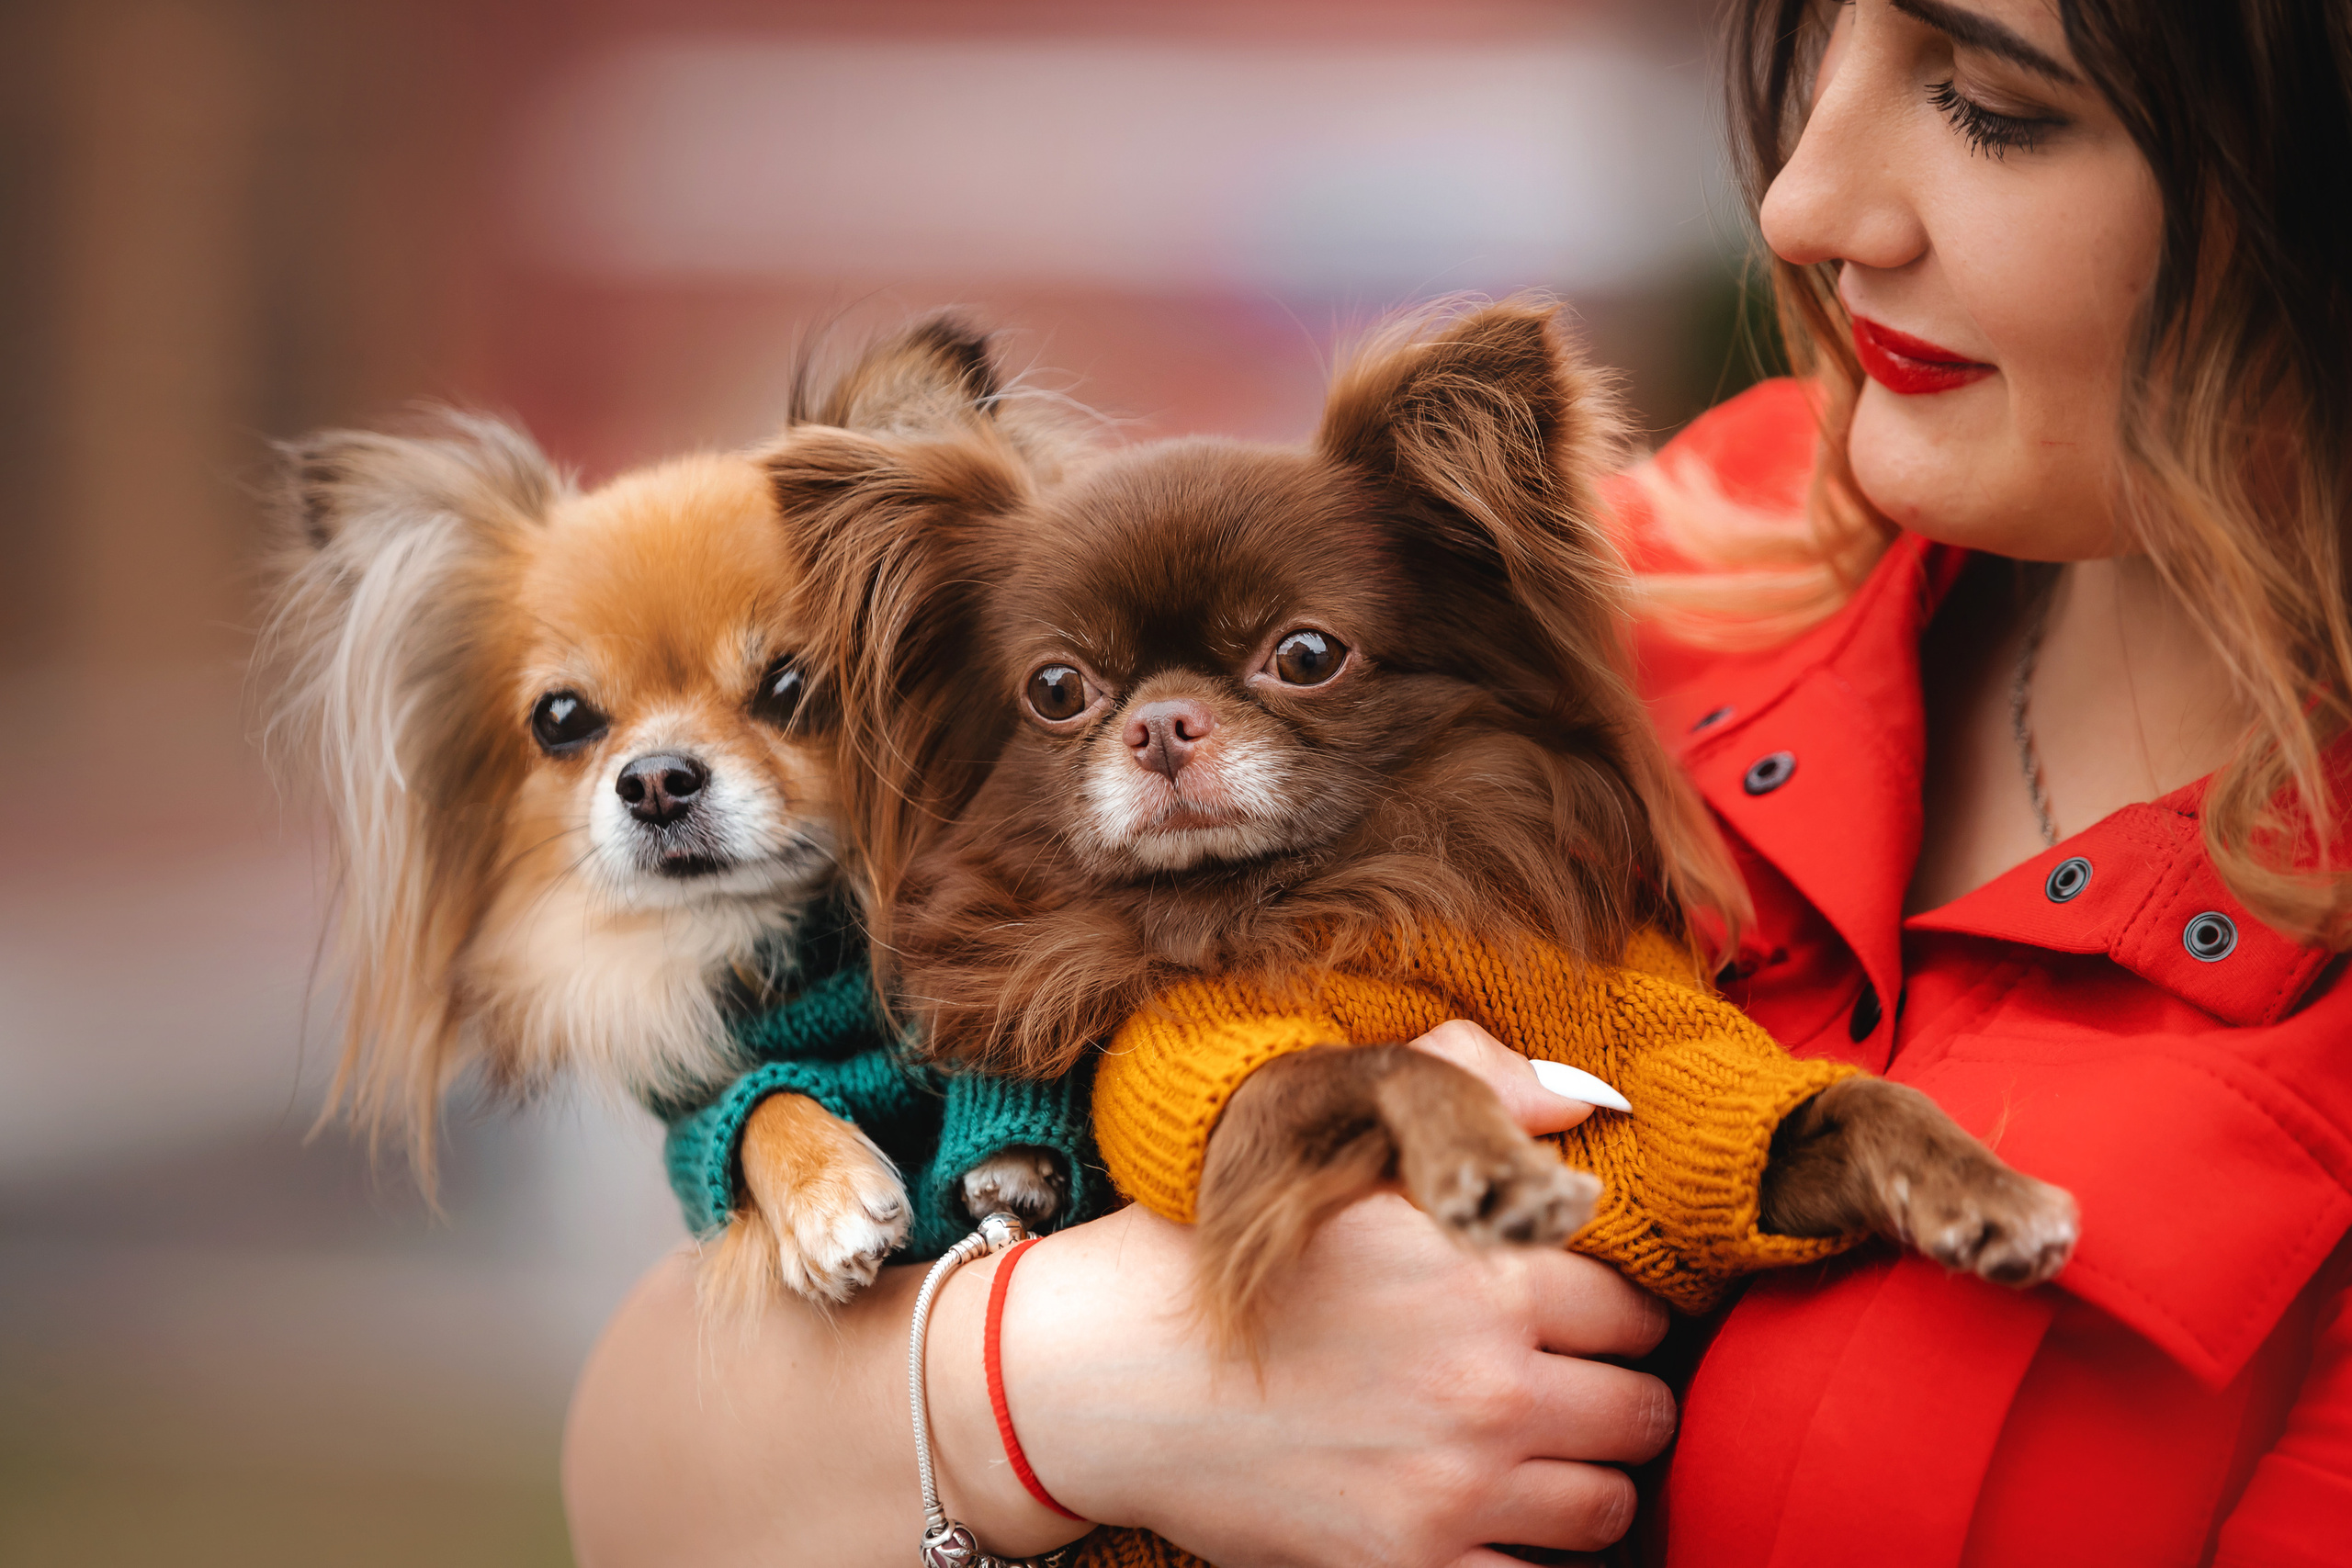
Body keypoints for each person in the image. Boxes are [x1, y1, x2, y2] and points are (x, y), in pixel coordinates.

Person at [561, 1, 2352, 1562]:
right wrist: (1088, 1380)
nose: (1800, 198)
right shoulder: (1659, 571)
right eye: (1817, 36)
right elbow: (638, 1475)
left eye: (1990, 103)